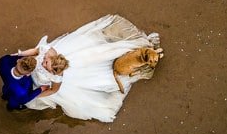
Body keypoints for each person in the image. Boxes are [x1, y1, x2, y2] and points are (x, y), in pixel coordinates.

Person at [22, 14, 161, 122]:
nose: (43, 63)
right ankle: (141, 54)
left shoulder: (57, 78)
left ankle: (141, 56)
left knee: (100, 69)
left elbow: (53, 90)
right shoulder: (49, 53)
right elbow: (38, 51)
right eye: (46, 61)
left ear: (54, 72)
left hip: (59, 78)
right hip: (65, 61)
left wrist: (36, 94)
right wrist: (19, 54)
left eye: (46, 64)